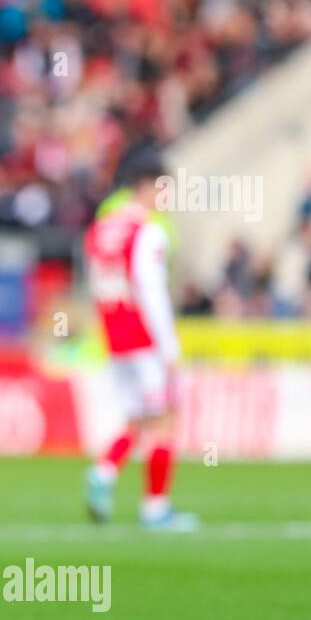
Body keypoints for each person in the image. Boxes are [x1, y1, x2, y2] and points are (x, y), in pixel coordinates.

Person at [82, 158, 199, 532]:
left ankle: (104, 471)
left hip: (116, 338)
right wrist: (169, 348)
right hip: (145, 339)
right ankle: (155, 508)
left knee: (138, 417)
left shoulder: (100, 230)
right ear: (149, 187)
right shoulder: (148, 231)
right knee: (165, 418)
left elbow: (96, 285)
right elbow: (151, 292)